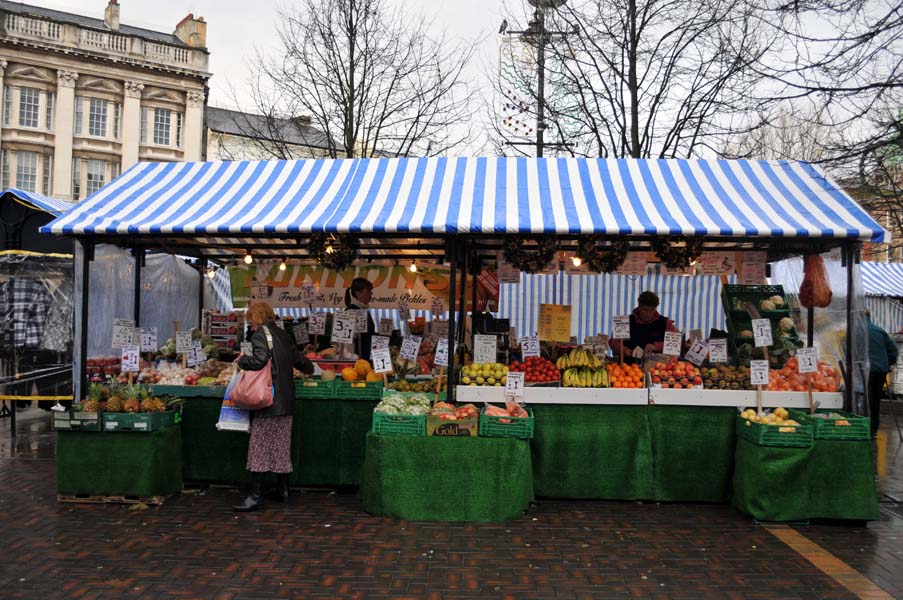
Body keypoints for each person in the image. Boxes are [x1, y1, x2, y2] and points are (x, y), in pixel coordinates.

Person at [233, 300, 314, 512]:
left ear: (258, 318)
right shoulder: (282, 334)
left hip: (269, 400)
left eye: (251, 321)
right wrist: (311, 367)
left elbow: (259, 360)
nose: (250, 325)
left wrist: (242, 361)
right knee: (280, 446)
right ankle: (283, 490)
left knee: (259, 446)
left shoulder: (261, 334)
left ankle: (255, 495)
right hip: (286, 401)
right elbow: (300, 360)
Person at [608, 291, 679, 357]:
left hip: (658, 367)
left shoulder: (666, 323)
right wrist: (624, 350)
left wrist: (655, 346)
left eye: (652, 310)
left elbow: (675, 345)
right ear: (639, 307)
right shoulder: (624, 321)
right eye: (645, 310)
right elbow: (613, 342)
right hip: (629, 366)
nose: (648, 314)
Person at [866, 311, 898, 437]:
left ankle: (862, 424)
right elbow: (894, 350)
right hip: (879, 370)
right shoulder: (879, 330)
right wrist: (886, 363)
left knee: (862, 398)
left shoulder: (854, 332)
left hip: (864, 370)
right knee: (875, 399)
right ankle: (874, 427)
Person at [344, 277, 376, 361]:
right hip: (357, 364)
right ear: (358, 293)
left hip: (366, 361)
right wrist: (353, 360)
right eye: (368, 291)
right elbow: (346, 345)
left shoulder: (363, 311)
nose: (371, 294)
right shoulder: (350, 312)